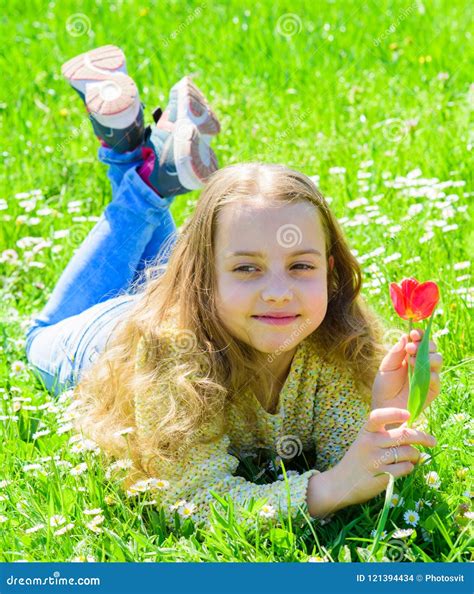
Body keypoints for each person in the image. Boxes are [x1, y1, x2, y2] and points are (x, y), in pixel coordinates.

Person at [24, 46, 443, 531]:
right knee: (36, 336)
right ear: (200, 278)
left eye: (300, 266)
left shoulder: (332, 342)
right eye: (248, 269)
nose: (280, 292)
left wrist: (387, 410)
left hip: (186, 297)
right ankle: (149, 184)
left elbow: (352, 457)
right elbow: (195, 501)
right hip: (97, 337)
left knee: (196, 254)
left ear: (329, 272)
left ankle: (137, 154)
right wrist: (324, 492)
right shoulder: (169, 360)